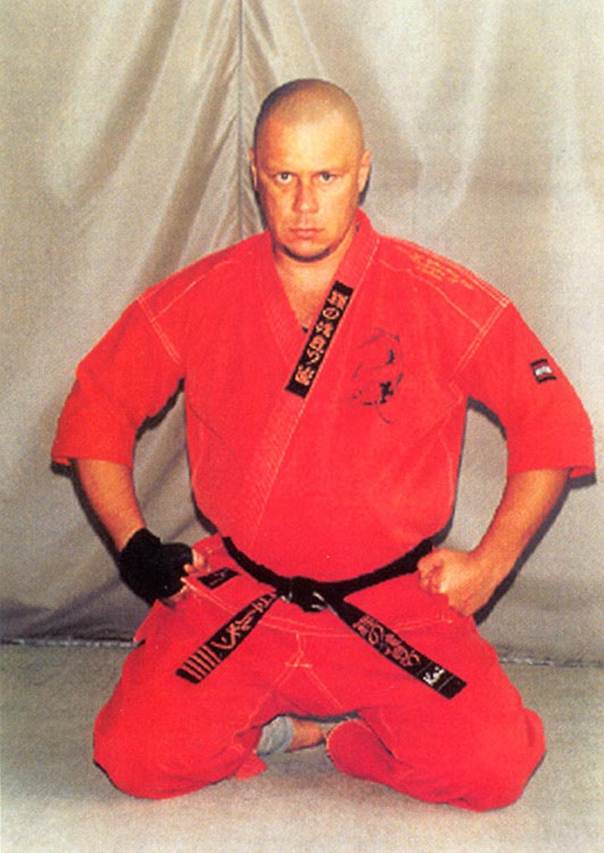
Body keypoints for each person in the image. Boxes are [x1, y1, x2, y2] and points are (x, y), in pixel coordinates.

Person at [52, 79, 594, 810]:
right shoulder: (206, 293)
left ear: (362, 172)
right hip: (245, 597)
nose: (305, 204)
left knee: (492, 769)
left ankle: (342, 740)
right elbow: (99, 403)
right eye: (284, 177)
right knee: (134, 759)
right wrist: (134, 544)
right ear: (255, 172)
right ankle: (287, 730)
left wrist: (489, 564)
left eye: (327, 176)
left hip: (392, 602)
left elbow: (551, 419)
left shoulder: (435, 295)